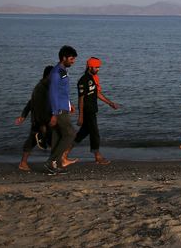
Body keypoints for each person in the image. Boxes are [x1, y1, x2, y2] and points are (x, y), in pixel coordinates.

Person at [68, 56, 119, 165]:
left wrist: (110, 103)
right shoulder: (83, 80)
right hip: (87, 111)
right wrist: (80, 116)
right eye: (96, 67)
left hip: (93, 110)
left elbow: (97, 93)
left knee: (82, 133)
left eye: (99, 67)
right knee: (95, 133)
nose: (98, 69)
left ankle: (64, 152)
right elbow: (80, 99)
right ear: (89, 67)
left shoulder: (94, 78)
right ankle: (98, 156)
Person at [45, 45, 78, 174]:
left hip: (63, 107)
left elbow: (62, 91)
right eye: (71, 58)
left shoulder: (62, 71)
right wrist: (54, 113)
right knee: (70, 134)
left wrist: (69, 104)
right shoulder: (56, 72)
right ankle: (51, 160)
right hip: (59, 110)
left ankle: (54, 164)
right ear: (63, 58)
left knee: (58, 136)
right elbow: (53, 93)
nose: (73, 61)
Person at [14, 65, 53, 171]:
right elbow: (33, 103)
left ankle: (23, 163)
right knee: (52, 139)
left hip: (39, 119)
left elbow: (31, 102)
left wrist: (23, 116)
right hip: (41, 119)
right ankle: (55, 163)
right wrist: (42, 123)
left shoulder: (44, 86)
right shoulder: (42, 88)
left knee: (33, 140)